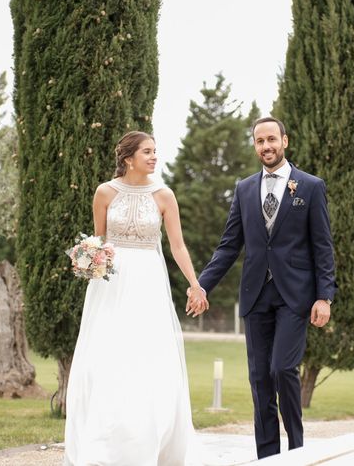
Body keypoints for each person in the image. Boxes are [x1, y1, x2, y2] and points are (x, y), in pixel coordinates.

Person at [191, 116, 337, 459]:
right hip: (255, 295)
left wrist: (324, 296)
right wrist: (202, 286)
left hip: (295, 296)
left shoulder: (311, 187)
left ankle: (297, 450)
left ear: (284, 141)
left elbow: (323, 247)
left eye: (272, 139)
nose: (266, 146)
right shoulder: (243, 189)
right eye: (260, 141)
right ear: (255, 145)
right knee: (259, 379)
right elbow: (229, 245)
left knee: (283, 369)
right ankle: (268, 456)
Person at [63, 131, 209, 466]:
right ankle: (104, 440)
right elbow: (98, 240)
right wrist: (87, 259)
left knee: (146, 357)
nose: (154, 157)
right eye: (147, 152)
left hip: (147, 282)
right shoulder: (104, 192)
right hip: (110, 284)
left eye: (156, 151)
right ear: (129, 158)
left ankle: (149, 438)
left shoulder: (164, 195)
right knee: (108, 356)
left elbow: (177, 245)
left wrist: (195, 284)